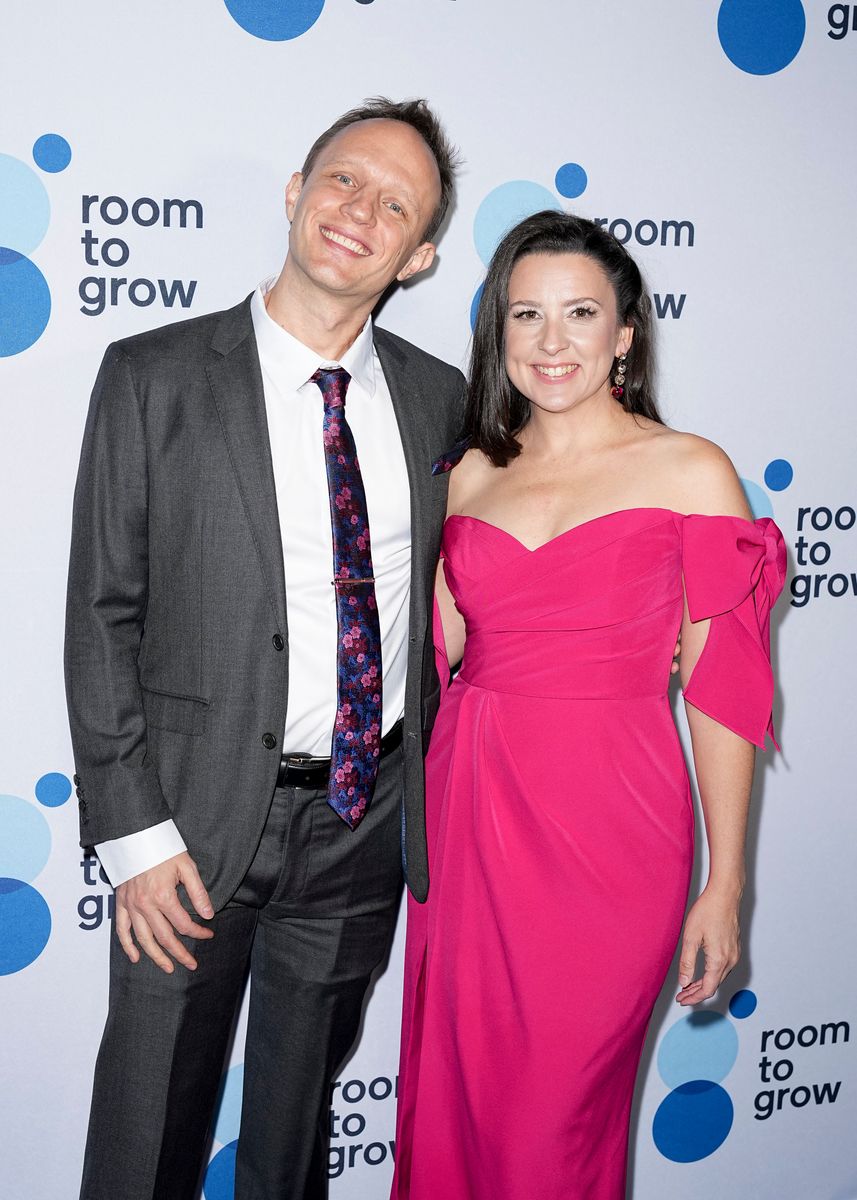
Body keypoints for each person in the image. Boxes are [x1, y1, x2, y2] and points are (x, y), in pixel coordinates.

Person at [64, 98, 465, 1200]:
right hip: (187, 829)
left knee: (290, 1153)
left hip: (361, 825)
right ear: (294, 193)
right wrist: (134, 836)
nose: (359, 211)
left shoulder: (442, 402)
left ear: (420, 253)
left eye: (395, 204)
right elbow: (100, 610)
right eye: (342, 180)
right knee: (147, 1136)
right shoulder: (151, 374)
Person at [391, 210, 786, 1200]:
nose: (551, 340)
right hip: (467, 818)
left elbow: (722, 689)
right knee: (464, 1107)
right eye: (525, 314)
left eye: (578, 313)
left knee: (549, 1130)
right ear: (497, 333)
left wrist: (724, 879)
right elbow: (427, 662)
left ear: (623, 334)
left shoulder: (690, 471)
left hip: (611, 833)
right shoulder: (467, 471)